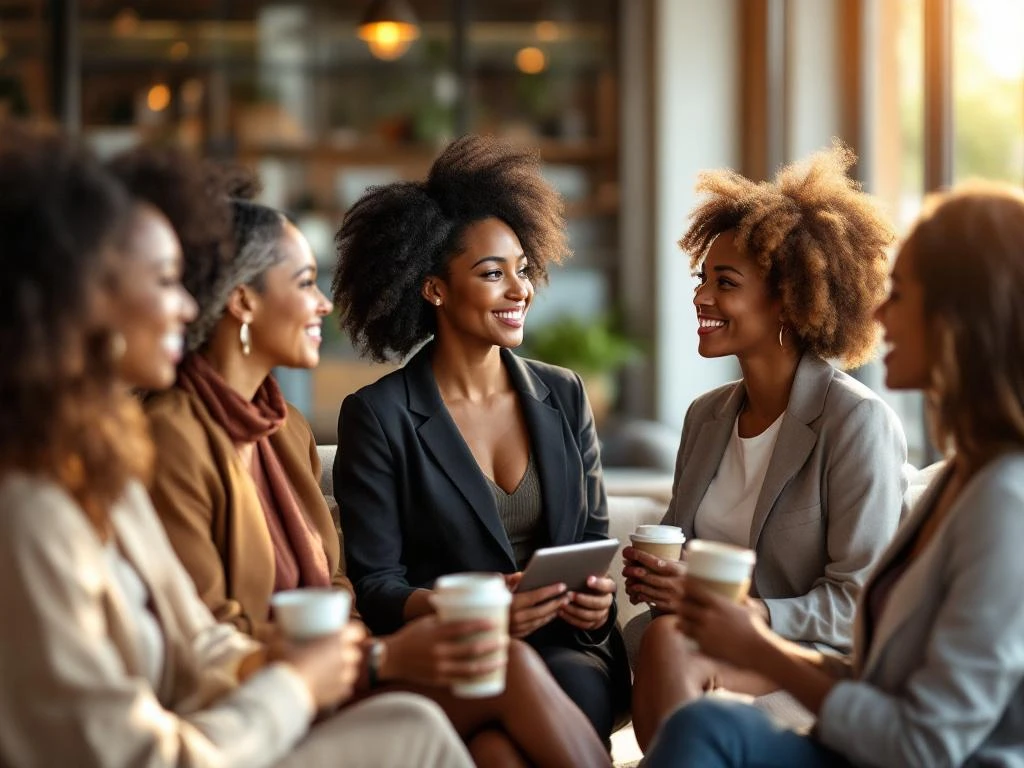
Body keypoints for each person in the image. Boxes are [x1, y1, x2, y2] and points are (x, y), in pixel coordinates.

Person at [0, 123, 472, 768]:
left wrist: (355, 659)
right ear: (83, 301)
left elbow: (201, 645)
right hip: (205, 746)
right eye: (165, 281)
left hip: (246, 717)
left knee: (418, 722)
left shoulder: (97, 469)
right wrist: (299, 685)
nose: (188, 306)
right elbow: (136, 752)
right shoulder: (31, 512)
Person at [132, 152, 610, 767]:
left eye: (521, 270)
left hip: (349, 668)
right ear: (244, 302)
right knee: (507, 668)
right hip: (274, 697)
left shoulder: (286, 429)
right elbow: (211, 637)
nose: (324, 304)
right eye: (305, 283)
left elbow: (338, 585)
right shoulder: (173, 439)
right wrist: (390, 650)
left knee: (497, 752)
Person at [644, 182, 1024, 767]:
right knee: (701, 721)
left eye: (900, 294)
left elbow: (923, 743)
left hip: (888, 747)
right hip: (840, 717)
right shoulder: (965, 475)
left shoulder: (1003, 499)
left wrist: (759, 637)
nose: (878, 313)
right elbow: (879, 676)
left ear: (958, 320)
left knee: (700, 722)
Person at [331, 134, 632, 744]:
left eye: (522, 269)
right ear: (434, 289)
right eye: (493, 274)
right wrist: (476, 608)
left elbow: (590, 541)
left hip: (569, 649)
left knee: (546, 702)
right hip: (453, 650)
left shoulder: (564, 393)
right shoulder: (378, 416)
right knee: (495, 748)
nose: (520, 290)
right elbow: (378, 586)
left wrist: (597, 603)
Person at [625, 145, 908, 750]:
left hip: (808, 659)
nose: (701, 297)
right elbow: (680, 547)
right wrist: (657, 577)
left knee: (667, 642)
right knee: (661, 638)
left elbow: (859, 600)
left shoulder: (855, 422)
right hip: (697, 646)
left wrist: (753, 616)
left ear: (787, 299)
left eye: (725, 283)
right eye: (702, 279)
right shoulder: (705, 418)